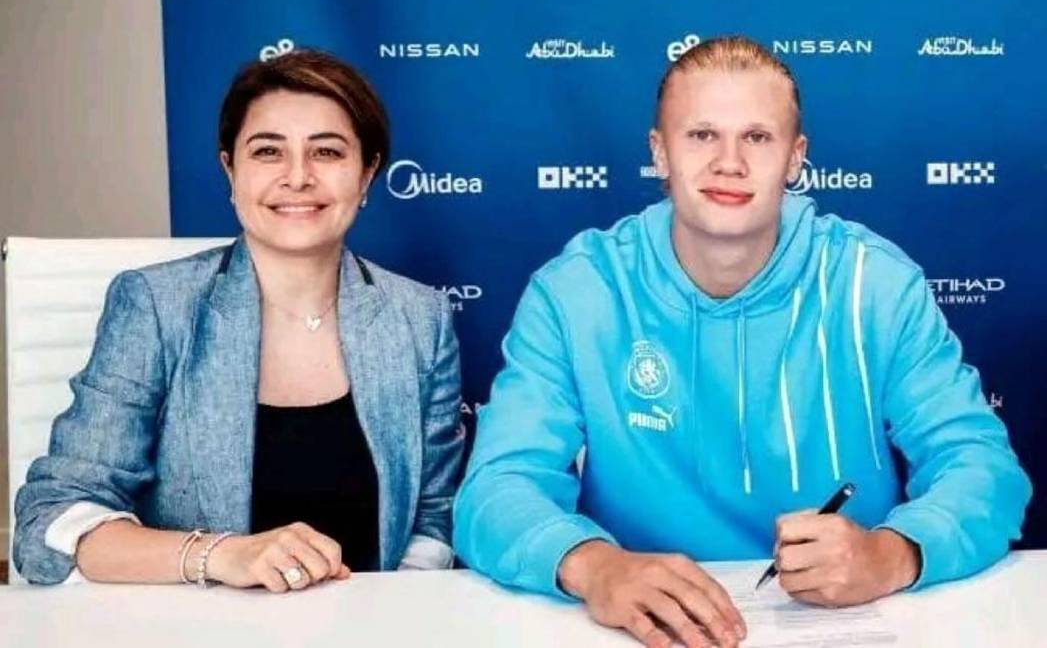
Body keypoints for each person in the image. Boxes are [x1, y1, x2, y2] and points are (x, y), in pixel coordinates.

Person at [453, 36, 1031, 648]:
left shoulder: (875, 284)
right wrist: (596, 567)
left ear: (795, 157)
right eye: (702, 134)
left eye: (757, 137)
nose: (729, 161)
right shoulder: (578, 291)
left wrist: (892, 554)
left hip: (841, 625)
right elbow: (496, 487)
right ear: (659, 152)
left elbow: (982, 466)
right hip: (643, 631)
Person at [15, 50, 464, 589]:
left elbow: (435, 517)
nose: (298, 177)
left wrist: (391, 611)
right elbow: (50, 522)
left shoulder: (421, 319)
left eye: (326, 151)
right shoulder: (156, 306)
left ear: (367, 173)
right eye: (268, 151)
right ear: (231, 170)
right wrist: (219, 556)